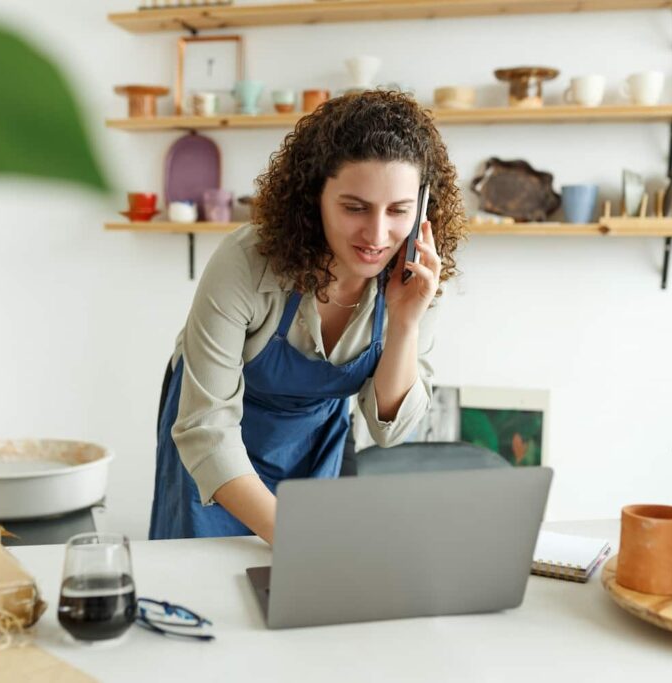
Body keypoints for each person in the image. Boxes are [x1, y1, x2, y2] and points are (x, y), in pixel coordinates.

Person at [150, 89, 467, 543]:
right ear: (314, 197)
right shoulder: (246, 262)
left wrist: (405, 322)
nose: (377, 235)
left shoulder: (417, 277)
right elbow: (206, 428)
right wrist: (295, 537)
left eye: (398, 211)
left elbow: (388, 431)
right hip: (216, 432)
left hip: (314, 440)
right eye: (354, 208)